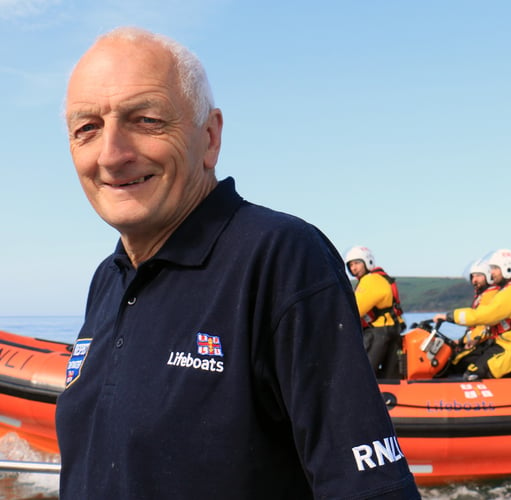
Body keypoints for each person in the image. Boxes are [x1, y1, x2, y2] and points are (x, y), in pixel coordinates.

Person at [54, 27, 419, 499]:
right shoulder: (108, 279)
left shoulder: (281, 260)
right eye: (87, 128)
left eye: (145, 120)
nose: (111, 154)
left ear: (209, 138)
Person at [434, 249, 511, 380]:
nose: (492, 272)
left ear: (507, 268)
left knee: (473, 373)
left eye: (495, 268)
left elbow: (484, 315)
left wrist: (450, 317)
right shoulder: (509, 290)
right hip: (506, 342)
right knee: (469, 366)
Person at [345, 246, 406, 379]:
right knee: (391, 373)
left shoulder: (370, 280)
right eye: (350, 265)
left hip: (379, 332)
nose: (353, 268)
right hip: (394, 330)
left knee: (364, 371)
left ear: (367, 262)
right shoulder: (381, 278)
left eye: (356, 263)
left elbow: (355, 310)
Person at [448, 259, 501, 374]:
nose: (474, 280)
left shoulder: (490, 295)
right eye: (473, 276)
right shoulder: (484, 295)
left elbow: (483, 324)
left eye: (478, 276)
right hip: (482, 341)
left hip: (488, 343)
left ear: (488, 276)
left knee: (457, 363)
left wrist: (465, 340)